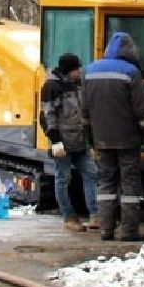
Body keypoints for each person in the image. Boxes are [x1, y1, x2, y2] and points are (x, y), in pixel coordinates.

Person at [81, 31, 144, 242]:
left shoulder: (89, 71)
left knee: (105, 183)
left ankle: (106, 229)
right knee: (129, 184)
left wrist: (90, 139)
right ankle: (129, 231)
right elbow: (142, 112)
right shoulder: (131, 73)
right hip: (128, 139)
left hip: (101, 139)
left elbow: (84, 111)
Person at [40, 53, 97, 231]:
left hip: (79, 140)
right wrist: (55, 140)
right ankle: (69, 217)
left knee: (92, 174)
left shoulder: (76, 85)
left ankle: (95, 214)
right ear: (68, 70)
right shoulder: (52, 87)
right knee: (63, 178)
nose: (79, 71)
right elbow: (48, 116)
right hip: (62, 142)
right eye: (76, 69)